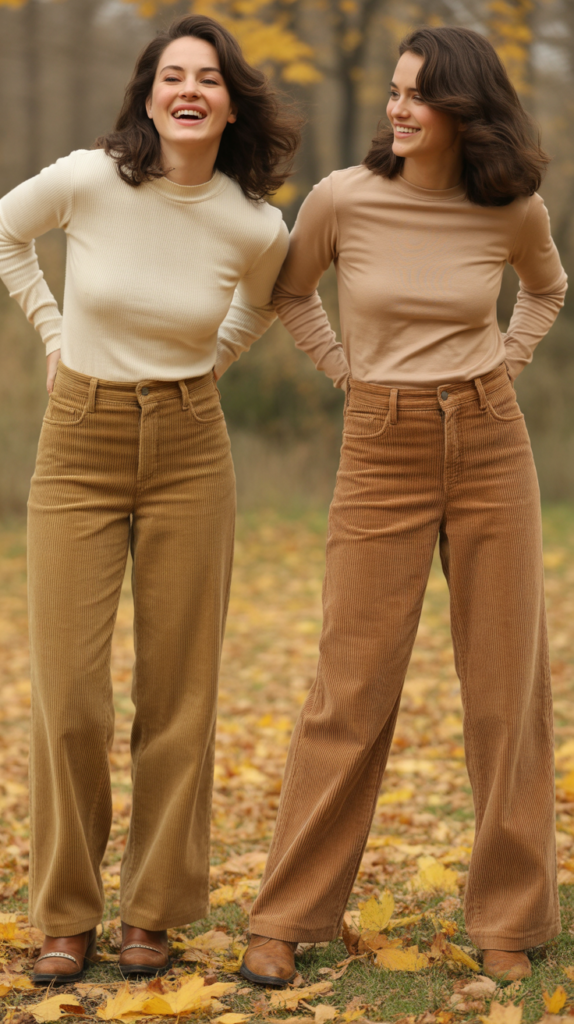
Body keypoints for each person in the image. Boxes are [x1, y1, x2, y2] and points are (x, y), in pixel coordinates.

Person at [241, 26, 567, 988]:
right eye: (394, 91)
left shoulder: (511, 210)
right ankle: (286, 918)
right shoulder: (343, 197)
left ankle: (510, 919)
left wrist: (507, 360)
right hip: (380, 449)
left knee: (508, 690)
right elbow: (292, 293)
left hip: (491, 444)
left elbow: (546, 291)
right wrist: (345, 370)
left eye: (420, 96)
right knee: (351, 686)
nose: (398, 108)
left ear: (465, 110)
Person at [0, 14, 298, 985]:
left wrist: (209, 362)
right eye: (170, 74)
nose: (187, 89)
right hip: (78, 440)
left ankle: (155, 913)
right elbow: (8, 233)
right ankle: (66, 913)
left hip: (188, 448)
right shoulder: (90, 179)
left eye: (206, 78)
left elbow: (261, 302)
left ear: (227, 101)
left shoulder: (254, 222)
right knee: (72, 696)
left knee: (179, 694)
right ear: (147, 91)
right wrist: (50, 332)